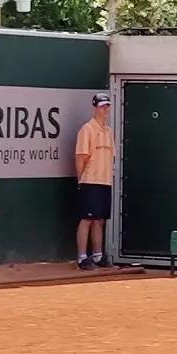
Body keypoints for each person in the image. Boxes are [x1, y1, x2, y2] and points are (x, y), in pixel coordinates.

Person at [74, 92, 115, 270]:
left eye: (107, 106)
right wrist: (82, 180)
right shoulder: (87, 130)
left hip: (105, 182)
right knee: (87, 219)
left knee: (99, 220)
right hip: (89, 181)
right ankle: (82, 257)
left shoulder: (109, 131)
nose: (105, 109)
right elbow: (80, 158)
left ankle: (98, 255)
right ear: (95, 108)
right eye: (101, 106)